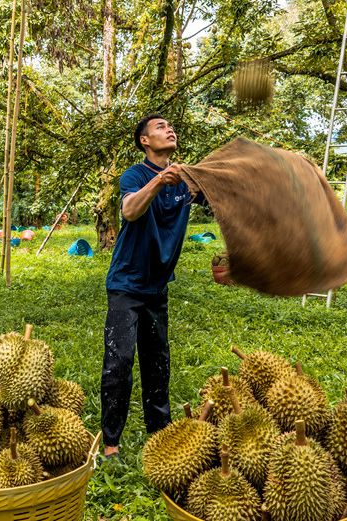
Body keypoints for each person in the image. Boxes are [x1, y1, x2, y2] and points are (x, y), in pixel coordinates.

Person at [101, 113, 205, 464]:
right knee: (120, 361)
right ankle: (111, 444)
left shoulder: (187, 181)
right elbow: (130, 211)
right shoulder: (134, 175)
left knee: (157, 362)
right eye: (160, 127)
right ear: (144, 140)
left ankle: (160, 434)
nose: (169, 129)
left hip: (157, 287)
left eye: (171, 126)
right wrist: (161, 180)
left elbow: (224, 199)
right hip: (126, 283)